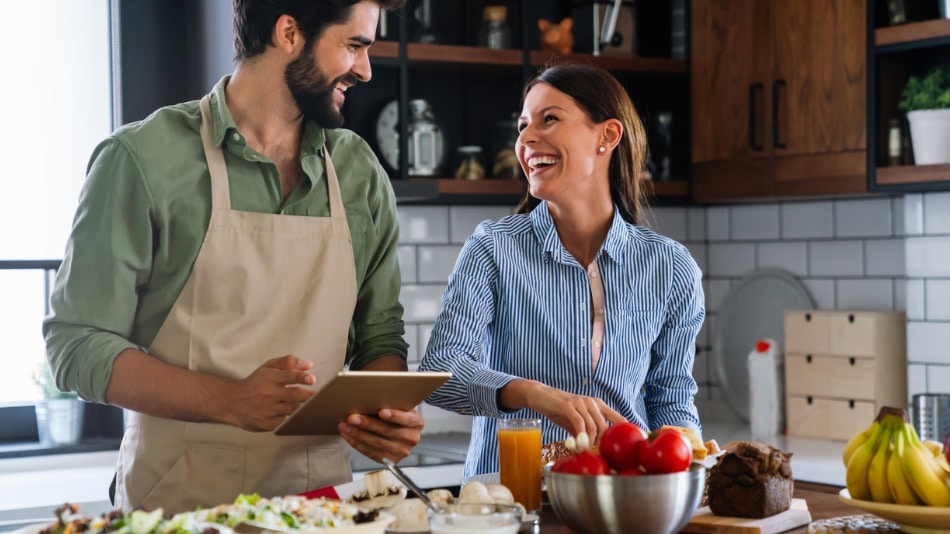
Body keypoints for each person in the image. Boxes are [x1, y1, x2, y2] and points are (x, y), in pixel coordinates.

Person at [42, 0, 419, 513]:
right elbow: (75, 344)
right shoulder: (141, 160)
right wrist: (229, 400)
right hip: (177, 509)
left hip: (322, 510)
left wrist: (381, 415)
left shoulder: (358, 172)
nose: (365, 70)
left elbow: (380, 337)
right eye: (354, 45)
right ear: (289, 33)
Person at [418, 63, 705, 477]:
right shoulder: (493, 249)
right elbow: (441, 371)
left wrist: (687, 470)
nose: (526, 138)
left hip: (621, 496)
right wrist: (534, 394)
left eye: (549, 119)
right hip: (512, 498)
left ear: (607, 136)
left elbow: (672, 400)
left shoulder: (670, 267)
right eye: (522, 126)